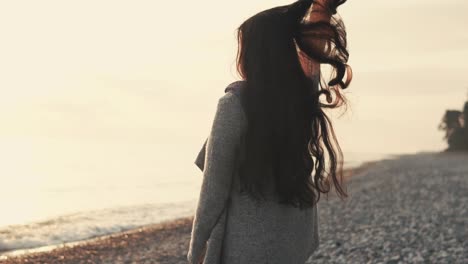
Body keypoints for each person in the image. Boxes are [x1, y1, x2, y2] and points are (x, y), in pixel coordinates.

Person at [187, 0, 352, 263]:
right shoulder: (299, 96)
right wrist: (321, 7)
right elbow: (312, 55)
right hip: (292, 239)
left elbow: (213, 189)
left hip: (247, 244)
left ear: (255, 53)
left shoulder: (234, 105)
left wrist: (195, 249)